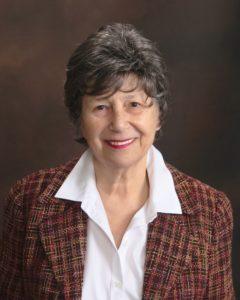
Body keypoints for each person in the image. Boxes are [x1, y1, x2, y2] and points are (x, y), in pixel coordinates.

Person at [0, 23, 235, 299]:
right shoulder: (29, 201)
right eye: (101, 107)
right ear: (79, 118)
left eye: (134, 104)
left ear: (158, 115)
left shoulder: (209, 212)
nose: (119, 123)